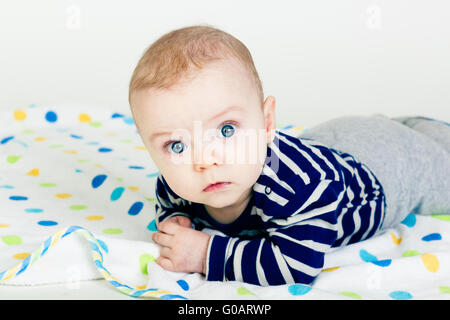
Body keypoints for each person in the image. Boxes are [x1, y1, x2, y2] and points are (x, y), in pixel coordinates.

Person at [128, 24, 450, 286]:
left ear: (267, 123)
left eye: (226, 131)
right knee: (392, 128)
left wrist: (203, 254)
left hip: (385, 171)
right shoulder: (176, 181)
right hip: (334, 141)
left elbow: (295, 267)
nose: (204, 161)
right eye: (177, 146)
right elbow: (169, 204)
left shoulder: (299, 187)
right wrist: (176, 222)